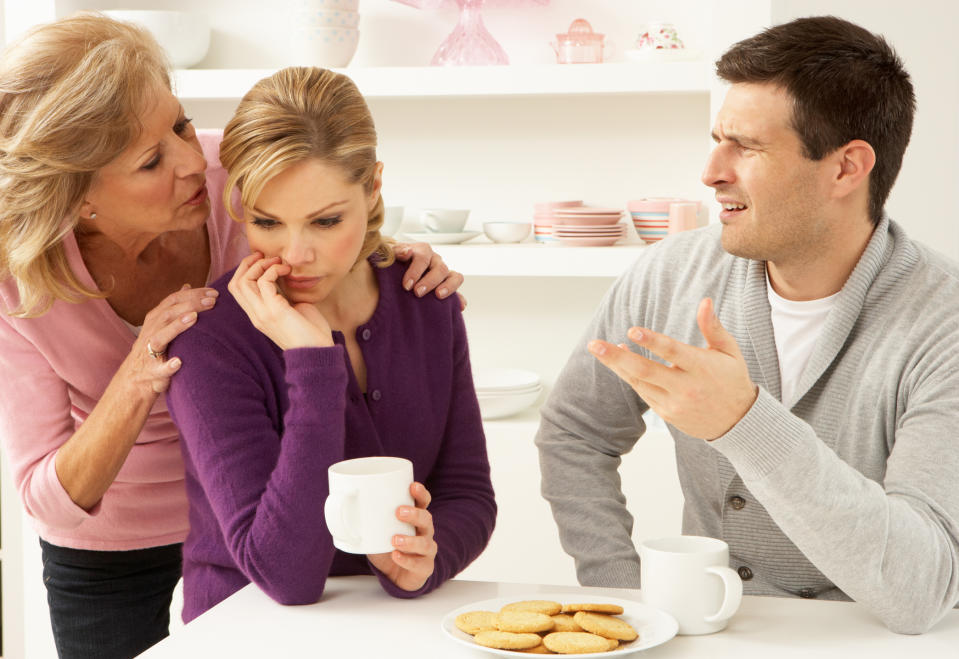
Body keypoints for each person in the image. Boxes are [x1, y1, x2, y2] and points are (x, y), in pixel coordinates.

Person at [0, 14, 463, 659]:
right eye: (152, 159)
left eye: (181, 123)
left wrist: (395, 264)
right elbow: (47, 501)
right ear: (78, 197)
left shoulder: (230, 175)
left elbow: (331, 209)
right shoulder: (17, 280)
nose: (195, 159)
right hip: (114, 541)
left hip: (248, 514)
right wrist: (138, 376)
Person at [536, 15, 959, 635]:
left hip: (871, 637)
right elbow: (575, 431)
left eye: (748, 147)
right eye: (717, 140)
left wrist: (744, 422)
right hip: (702, 632)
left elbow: (924, 588)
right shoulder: (668, 274)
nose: (711, 172)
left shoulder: (942, 323)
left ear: (847, 168)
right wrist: (620, 593)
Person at [164, 66, 496, 622]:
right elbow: (284, 575)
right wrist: (313, 365)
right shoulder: (210, 341)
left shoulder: (425, 298)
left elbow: (467, 494)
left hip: (394, 630)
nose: (295, 254)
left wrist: (425, 557)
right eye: (267, 222)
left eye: (325, 221)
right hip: (246, 633)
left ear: (373, 187)